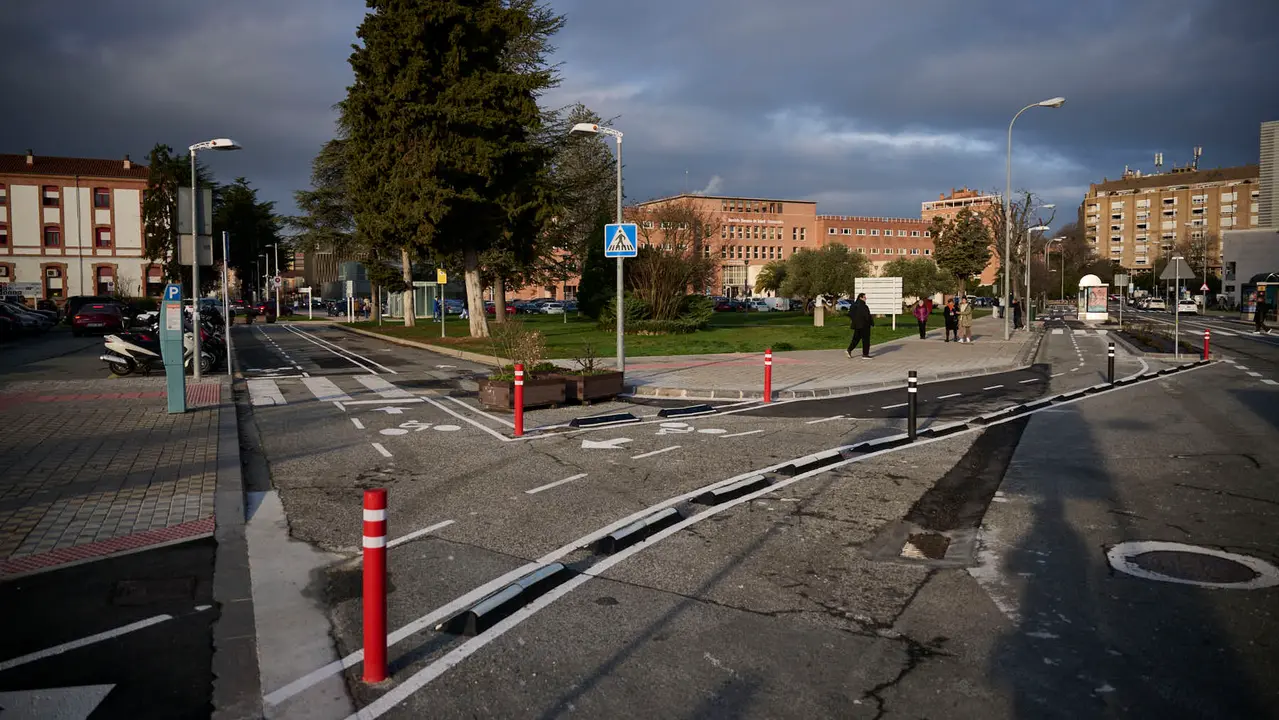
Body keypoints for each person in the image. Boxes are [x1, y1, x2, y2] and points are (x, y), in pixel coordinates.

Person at [846, 293, 873, 359]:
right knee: (866, 340)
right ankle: (865, 354)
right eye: (864, 297)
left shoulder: (853, 305)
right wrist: (871, 323)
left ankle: (849, 350)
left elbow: (850, 314)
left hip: (857, 325)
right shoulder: (864, 306)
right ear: (860, 298)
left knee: (856, 339)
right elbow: (867, 316)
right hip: (864, 325)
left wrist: (854, 321)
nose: (865, 298)